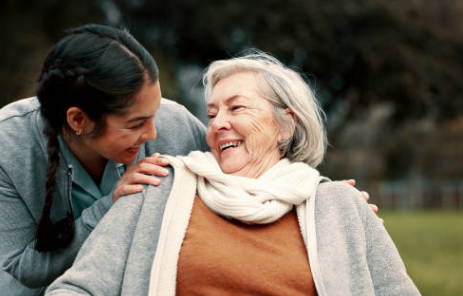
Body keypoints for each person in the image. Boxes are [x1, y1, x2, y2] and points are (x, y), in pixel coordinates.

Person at [45, 51, 420, 296]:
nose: (218, 124)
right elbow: (78, 288)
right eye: (211, 114)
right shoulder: (158, 187)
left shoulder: (339, 206)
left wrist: (348, 211)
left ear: (285, 125)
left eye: (236, 108)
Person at [0, 24, 208, 296]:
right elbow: (25, 267)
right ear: (78, 120)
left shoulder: (175, 124)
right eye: (135, 125)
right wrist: (111, 206)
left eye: (155, 113)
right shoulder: (8, 145)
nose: (153, 133)